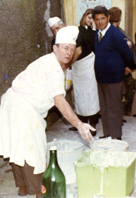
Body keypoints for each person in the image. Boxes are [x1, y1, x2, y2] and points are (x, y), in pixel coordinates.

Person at [0, 26, 94, 198]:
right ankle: (38, 192)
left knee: (17, 145)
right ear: (55, 48)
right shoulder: (54, 68)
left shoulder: (47, 60)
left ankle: (22, 187)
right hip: (22, 106)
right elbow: (59, 101)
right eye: (65, 48)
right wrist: (79, 124)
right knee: (33, 148)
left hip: (11, 102)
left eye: (72, 49)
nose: (69, 52)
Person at [92, 6, 134, 140]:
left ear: (108, 18)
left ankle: (116, 137)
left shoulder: (115, 34)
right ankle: (107, 133)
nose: (100, 22)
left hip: (114, 77)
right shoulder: (97, 34)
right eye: (97, 19)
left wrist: (126, 68)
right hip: (101, 77)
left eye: (103, 18)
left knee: (114, 108)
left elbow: (128, 54)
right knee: (104, 108)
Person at [70, 9, 99, 136]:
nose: (90, 19)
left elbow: (95, 45)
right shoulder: (78, 30)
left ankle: (92, 124)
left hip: (88, 64)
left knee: (91, 93)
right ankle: (80, 122)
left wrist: (93, 29)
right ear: (83, 17)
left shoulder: (93, 31)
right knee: (79, 94)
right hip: (77, 65)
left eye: (92, 18)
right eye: (88, 17)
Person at [108, 6, 136, 119]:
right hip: (117, 67)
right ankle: (115, 118)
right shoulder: (116, 31)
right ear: (119, 18)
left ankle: (116, 117)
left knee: (114, 94)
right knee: (116, 94)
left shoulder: (111, 30)